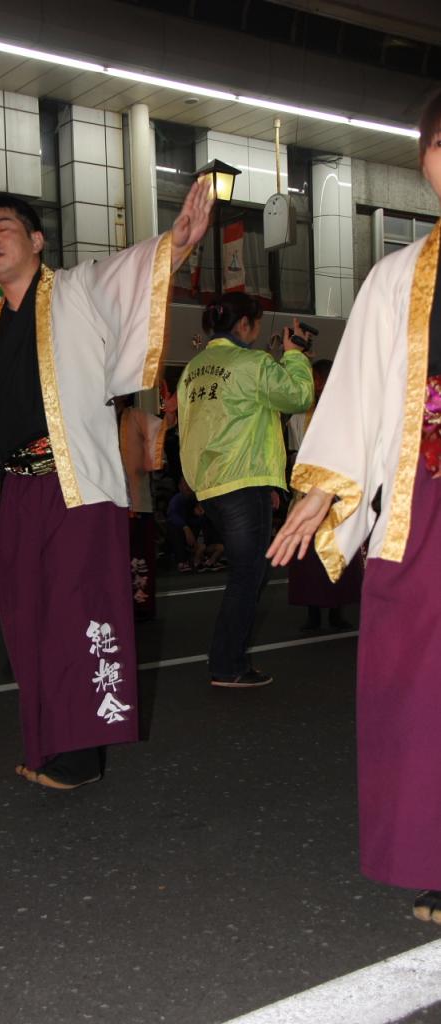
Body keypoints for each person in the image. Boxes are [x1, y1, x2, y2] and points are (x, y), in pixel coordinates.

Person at [0, 180, 213, 790]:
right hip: (18, 492)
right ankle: (48, 740)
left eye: (4, 230)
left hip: (79, 490)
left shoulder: (77, 291)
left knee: (79, 614)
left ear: (38, 240)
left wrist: (174, 246)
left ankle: (83, 752)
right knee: (28, 618)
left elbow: (130, 278)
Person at [267, 89, 441, 923]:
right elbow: (360, 399)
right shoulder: (396, 278)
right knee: (418, 678)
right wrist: (322, 486)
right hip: (426, 497)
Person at [178, 294, 313, 688]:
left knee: (244, 573)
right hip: (244, 480)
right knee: (247, 575)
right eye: (255, 323)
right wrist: (295, 354)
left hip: (211, 484)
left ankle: (225, 659)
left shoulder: (193, 369)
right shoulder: (253, 364)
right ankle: (227, 664)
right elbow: (299, 396)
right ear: (244, 326)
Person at [285, 360, 363, 631]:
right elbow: (294, 455)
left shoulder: (350, 412)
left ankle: (335, 612)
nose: (319, 384)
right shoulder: (301, 414)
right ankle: (314, 613)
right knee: (308, 557)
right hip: (308, 491)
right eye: (318, 379)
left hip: (339, 493)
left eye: (321, 378)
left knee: (337, 552)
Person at [115, 393, 172, 620]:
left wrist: (169, 414)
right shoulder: (98, 419)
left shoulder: (136, 416)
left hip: (136, 501)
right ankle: (116, 607)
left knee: (138, 558)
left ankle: (140, 608)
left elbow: (161, 428)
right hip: (108, 502)